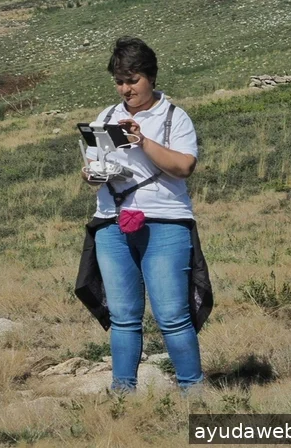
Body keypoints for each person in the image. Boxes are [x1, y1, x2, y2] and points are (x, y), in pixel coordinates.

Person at [74, 37, 213, 392]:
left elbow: (184, 167)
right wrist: (91, 174)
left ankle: (193, 393)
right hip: (111, 221)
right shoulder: (106, 118)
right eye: (119, 82)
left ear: (151, 77)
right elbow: (92, 168)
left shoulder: (174, 117)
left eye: (132, 80)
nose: (126, 89)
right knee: (122, 317)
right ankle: (123, 395)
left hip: (164, 221)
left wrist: (143, 142)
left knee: (172, 315)